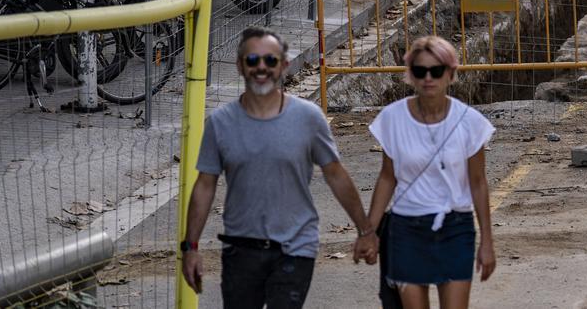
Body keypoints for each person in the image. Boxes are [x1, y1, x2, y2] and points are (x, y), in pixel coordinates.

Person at [180, 27, 378, 308]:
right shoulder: (220, 123)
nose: (261, 67)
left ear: (283, 66)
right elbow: (205, 184)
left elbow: (335, 174)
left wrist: (365, 231)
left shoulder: (308, 117)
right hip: (240, 248)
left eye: (270, 61)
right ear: (240, 66)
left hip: (295, 247)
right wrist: (191, 247)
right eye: (252, 60)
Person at [366, 36, 496, 309]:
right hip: (406, 230)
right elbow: (387, 177)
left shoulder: (470, 123)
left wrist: (487, 241)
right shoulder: (392, 119)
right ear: (410, 75)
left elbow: (478, 183)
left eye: (436, 71)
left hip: (455, 228)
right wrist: (368, 232)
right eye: (419, 71)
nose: (428, 78)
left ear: (450, 74)